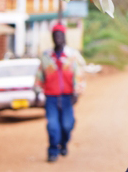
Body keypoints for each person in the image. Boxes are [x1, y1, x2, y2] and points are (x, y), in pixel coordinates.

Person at [36, 23, 86, 163]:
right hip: (51, 97)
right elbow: (40, 75)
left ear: (64, 37)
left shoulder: (72, 56)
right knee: (52, 125)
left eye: (60, 35)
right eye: (55, 35)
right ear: (52, 37)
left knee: (67, 125)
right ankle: (53, 151)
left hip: (67, 97)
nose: (58, 38)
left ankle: (63, 143)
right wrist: (38, 91)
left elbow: (79, 75)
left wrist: (77, 92)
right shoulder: (46, 56)